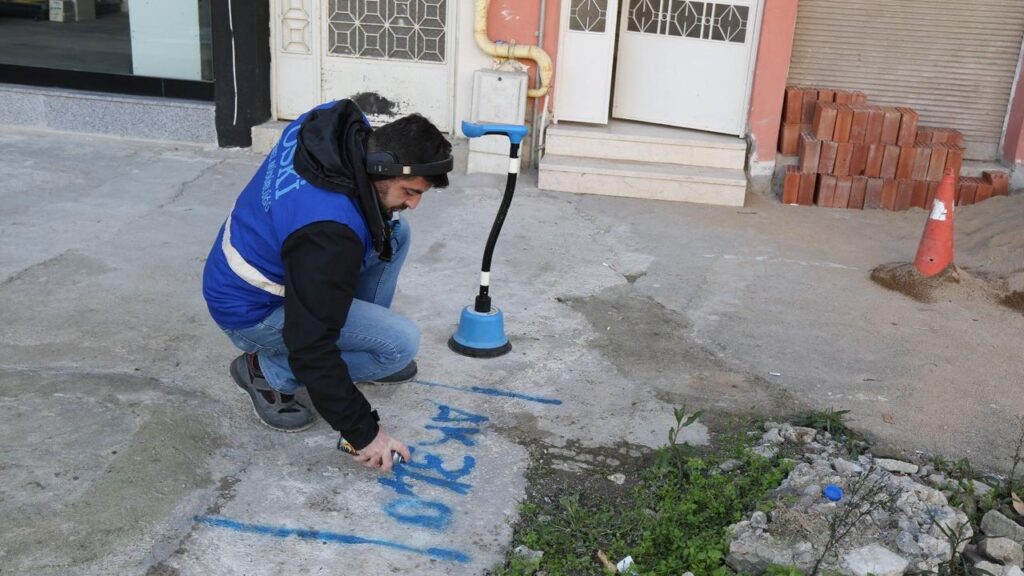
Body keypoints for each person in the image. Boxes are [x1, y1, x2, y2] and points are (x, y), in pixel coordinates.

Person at [202, 99, 453, 472]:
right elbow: (311, 345)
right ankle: (265, 372)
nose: (414, 203)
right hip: (251, 310)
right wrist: (365, 432)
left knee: (396, 232)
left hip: (257, 256)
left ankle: (355, 334)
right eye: (409, 191)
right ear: (380, 167)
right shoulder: (327, 232)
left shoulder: (331, 126)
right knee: (398, 346)